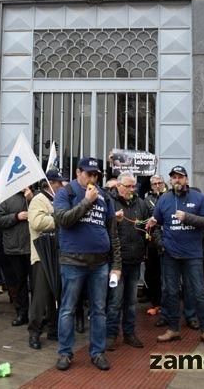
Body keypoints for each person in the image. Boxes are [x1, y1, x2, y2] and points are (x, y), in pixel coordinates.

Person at [53, 157, 121, 372]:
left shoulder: (105, 196)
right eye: (89, 173)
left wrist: (116, 264)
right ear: (78, 172)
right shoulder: (66, 193)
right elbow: (63, 219)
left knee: (99, 310)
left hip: (99, 263)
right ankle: (65, 353)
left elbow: (112, 231)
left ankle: (97, 352)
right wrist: (86, 202)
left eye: (95, 174)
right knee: (67, 309)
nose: (92, 178)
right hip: (73, 261)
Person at [154, 166, 204, 348]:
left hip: (193, 255)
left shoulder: (198, 198)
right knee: (171, 292)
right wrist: (161, 244)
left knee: (198, 292)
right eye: (174, 177)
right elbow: (155, 224)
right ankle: (173, 328)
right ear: (170, 180)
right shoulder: (164, 199)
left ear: (187, 180)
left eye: (180, 177)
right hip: (170, 254)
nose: (177, 180)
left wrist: (187, 217)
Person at [106, 172, 152, 350]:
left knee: (131, 302)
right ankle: (110, 335)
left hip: (135, 259)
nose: (132, 189)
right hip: (117, 262)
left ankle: (129, 334)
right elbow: (104, 226)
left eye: (134, 186)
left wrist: (148, 226)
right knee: (115, 301)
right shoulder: (110, 202)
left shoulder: (141, 203)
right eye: (128, 186)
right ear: (119, 186)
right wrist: (113, 219)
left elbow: (146, 225)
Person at [27, 169, 66, 350]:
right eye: (59, 183)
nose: (62, 186)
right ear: (51, 183)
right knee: (41, 296)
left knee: (54, 293)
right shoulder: (38, 199)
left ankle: (53, 328)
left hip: (56, 253)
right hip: (42, 254)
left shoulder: (56, 200)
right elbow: (37, 222)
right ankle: (34, 332)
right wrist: (60, 219)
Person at [0, 185, 34, 327]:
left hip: (33, 248)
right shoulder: (6, 198)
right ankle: (22, 314)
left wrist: (31, 199)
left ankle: (38, 315)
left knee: (36, 284)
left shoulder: (35, 195)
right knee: (19, 283)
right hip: (14, 248)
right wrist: (16, 216)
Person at [143, 174, 166, 316]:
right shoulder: (147, 200)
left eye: (160, 183)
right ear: (151, 186)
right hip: (152, 243)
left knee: (168, 276)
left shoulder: (170, 196)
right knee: (153, 274)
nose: (157, 185)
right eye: (154, 184)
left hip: (169, 241)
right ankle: (156, 303)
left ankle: (167, 305)